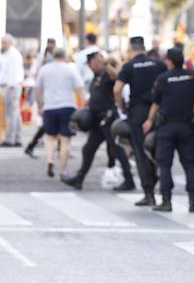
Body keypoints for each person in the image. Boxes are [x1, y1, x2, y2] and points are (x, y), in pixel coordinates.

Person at [61, 52, 135, 191]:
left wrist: (106, 64)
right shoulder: (96, 76)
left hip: (107, 119)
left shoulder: (107, 73)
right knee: (88, 149)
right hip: (97, 120)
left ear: (94, 62)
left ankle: (129, 180)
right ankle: (79, 179)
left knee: (117, 150)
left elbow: (118, 77)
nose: (89, 67)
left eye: (90, 64)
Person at [143, 47, 194, 213]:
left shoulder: (163, 79)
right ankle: (193, 202)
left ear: (169, 61)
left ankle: (166, 201)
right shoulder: (192, 76)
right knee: (189, 165)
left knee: (164, 165)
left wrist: (149, 120)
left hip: (167, 127)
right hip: (186, 126)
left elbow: (156, 103)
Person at [115, 37, 166, 207]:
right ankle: (156, 177)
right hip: (157, 110)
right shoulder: (158, 64)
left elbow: (117, 89)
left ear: (130, 49)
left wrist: (121, 107)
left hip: (137, 112)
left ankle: (148, 193)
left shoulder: (129, 66)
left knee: (140, 152)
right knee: (156, 147)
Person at [34, 48, 86, 177]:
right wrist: (86, 103)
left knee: (50, 137)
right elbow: (80, 89)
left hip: (49, 106)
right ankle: (63, 170)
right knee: (65, 140)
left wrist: (40, 105)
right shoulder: (70, 69)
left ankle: (50, 159)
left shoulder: (45, 69)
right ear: (65, 56)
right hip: (67, 106)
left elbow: (37, 89)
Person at [0, 34, 25, 146]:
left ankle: (11, 138)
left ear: (9, 42)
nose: (2, 45)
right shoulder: (7, 54)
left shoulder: (13, 54)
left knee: (12, 113)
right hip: (10, 85)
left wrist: (9, 86)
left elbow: (13, 73)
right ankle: (17, 138)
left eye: (4, 42)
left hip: (12, 86)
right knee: (15, 112)